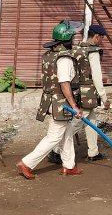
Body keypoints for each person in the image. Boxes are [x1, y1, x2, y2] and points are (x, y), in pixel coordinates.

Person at [16, 20, 85, 180]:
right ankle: (27, 163)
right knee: (54, 137)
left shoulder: (50, 55)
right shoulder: (65, 59)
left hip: (52, 100)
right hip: (61, 103)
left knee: (66, 133)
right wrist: (74, 105)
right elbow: (64, 83)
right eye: (73, 37)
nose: (74, 40)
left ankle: (69, 166)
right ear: (67, 39)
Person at [48, 24, 111, 163]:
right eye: (101, 38)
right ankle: (56, 150)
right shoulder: (92, 52)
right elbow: (96, 77)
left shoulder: (77, 48)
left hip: (77, 90)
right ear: (96, 37)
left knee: (91, 120)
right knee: (77, 123)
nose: (101, 41)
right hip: (88, 93)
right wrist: (104, 97)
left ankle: (93, 152)